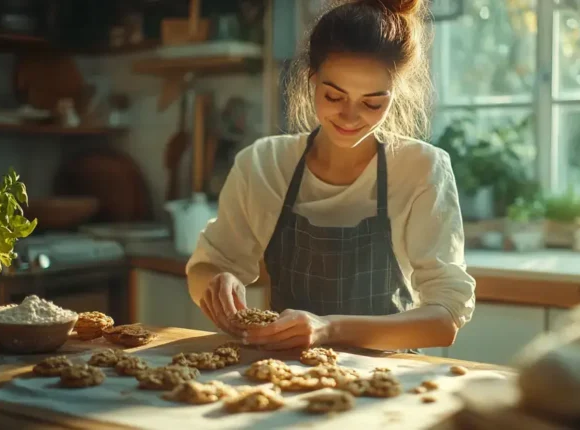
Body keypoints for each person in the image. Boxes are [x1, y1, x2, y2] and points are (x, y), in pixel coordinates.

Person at [186, 0, 475, 352]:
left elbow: (444, 321)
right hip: (283, 375)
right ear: (312, 80)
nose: (350, 116)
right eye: (334, 96)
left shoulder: (421, 168)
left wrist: (327, 329)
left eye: (372, 103)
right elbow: (207, 268)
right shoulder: (263, 164)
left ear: (394, 94)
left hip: (388, 380)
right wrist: (218, 282)